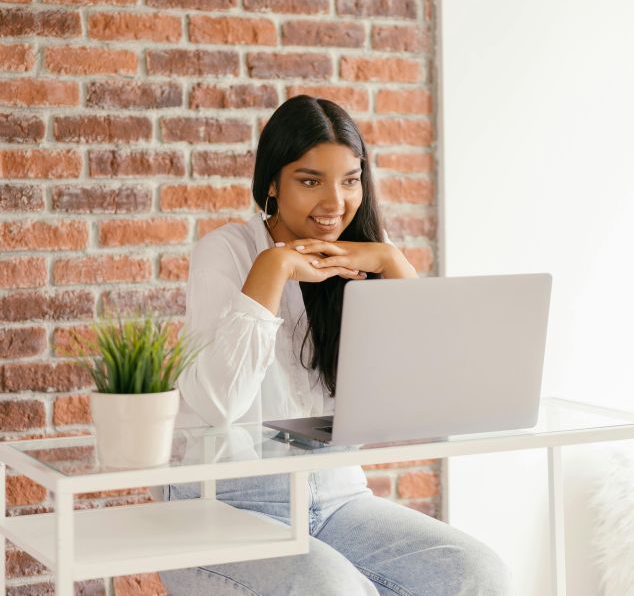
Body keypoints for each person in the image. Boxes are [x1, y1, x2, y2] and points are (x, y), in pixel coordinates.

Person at [160, 95, 513, 595]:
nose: (334, 203)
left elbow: (435, 390)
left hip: (335, 496)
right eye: (310, 181)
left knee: (477, 573)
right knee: (333, 589)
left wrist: (393, 262)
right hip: (223, 505)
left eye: (350, 181)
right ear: (272, 184)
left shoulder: (360, 259)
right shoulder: (227, 252)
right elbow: (219, 403)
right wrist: (274, 266)